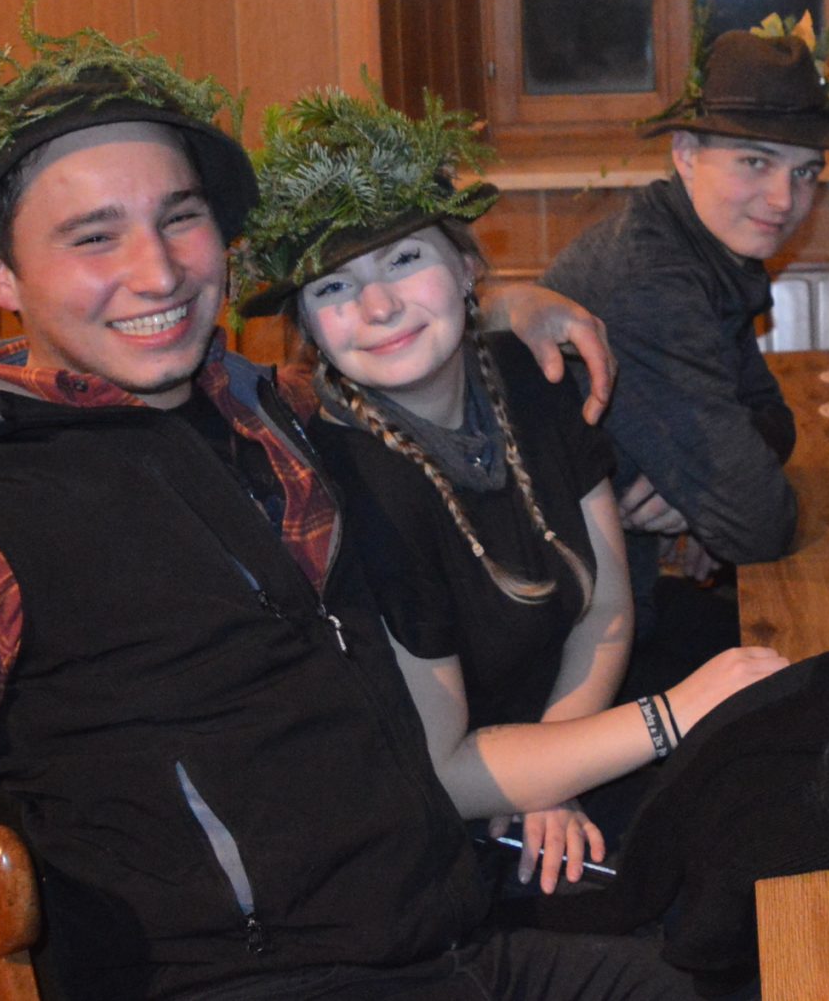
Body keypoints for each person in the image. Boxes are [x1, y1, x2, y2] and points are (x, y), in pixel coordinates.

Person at [0, 14, 682, 1001]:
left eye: (179, 218)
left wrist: (511, 298)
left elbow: (406, 338)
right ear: (0, 274)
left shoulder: (273, 408)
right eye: (94, 238)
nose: (159, 272)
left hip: (452, 930)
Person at [236, 89, 788, 899]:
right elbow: (442, 771)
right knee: (735, 881)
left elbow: (604, 607)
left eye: (404, 260)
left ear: (468, 268)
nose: (378, 306)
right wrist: (666, 718)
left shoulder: (531, 373)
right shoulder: (352, 490)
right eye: (331, 288)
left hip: (568, 731)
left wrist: (558, 764)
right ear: (309, 329)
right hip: (452, 832)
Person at [540, 22, 829, 680]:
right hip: (572, 654)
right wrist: (715, 498)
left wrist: (697, 496)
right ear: (686, 154)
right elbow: (758, 524)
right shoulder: (651, 280)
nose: (784, 200)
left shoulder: (706, 254)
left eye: (805, 172)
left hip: (623, 602)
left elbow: (773, 419)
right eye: (755, 162)